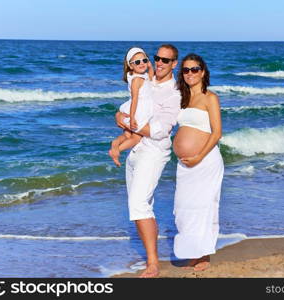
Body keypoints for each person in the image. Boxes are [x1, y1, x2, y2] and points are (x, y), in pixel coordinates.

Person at [115, 44, 181, 278]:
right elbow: (130, 104)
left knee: (138, 204)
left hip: (153, 151)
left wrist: (128, 124)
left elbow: (160, 130)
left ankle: (153, 263)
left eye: (166, 60)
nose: (160, 63)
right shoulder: (146, 80)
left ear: (174, 64)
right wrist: (119, 115)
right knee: (140, 205)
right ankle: (150, 256)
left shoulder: (174, 92)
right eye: (157, 58)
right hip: (135, 151)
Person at [173, 54, 224, 271]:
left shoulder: (209, 97)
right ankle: (192, 252)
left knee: (204, 207)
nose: (190, 73)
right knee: (183, 208)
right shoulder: (182, 98)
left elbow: (217, 133)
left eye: (195, 69)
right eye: (186, 70)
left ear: (203, 72)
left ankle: (203, 255)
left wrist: (198, 157)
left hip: (205, 161)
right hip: (185, 165)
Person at [109, 47, 154, 167]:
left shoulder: (139, 75)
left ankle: (115, 143)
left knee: (127, 135)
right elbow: (135, 99)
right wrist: (133, 117)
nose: (142, 64)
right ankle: (116, 151)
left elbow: (151, 75)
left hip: (140, 108)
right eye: (137, 62)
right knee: (136, 138)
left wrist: (149, 65)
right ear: (130, 65)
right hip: (138, 110)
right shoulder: (137, 80)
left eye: (144, 60)